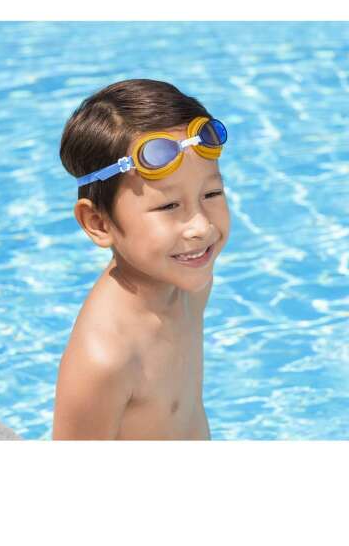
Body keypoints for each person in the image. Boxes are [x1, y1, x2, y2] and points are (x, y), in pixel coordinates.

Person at [53, 79, 230, 440]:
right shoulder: (105, 358)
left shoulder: (189, 285)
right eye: (169, 206)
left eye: (211, 193)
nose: (201, 226)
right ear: (98, 223)